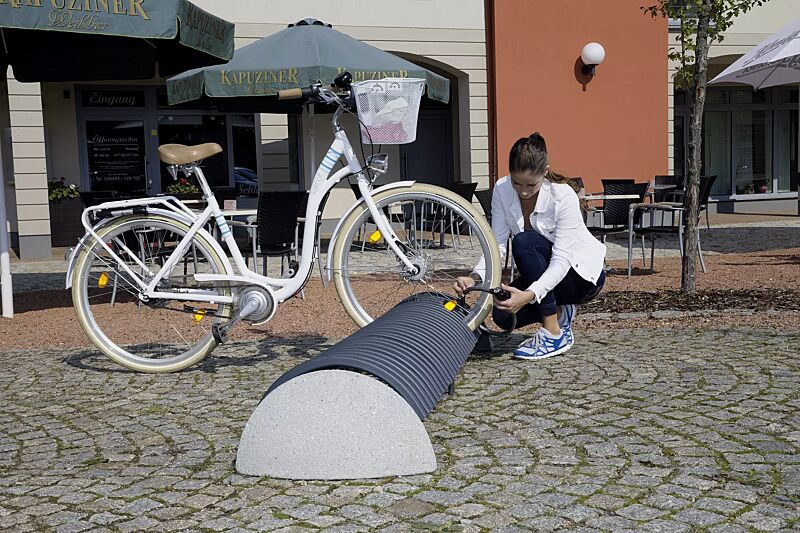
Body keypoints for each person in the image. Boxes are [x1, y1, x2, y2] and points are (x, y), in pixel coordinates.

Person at [455, 132, 606, 360]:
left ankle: (553, 331)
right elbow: (496, 245)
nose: (523, 191)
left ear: (545, 173)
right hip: (546, 271)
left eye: (531, 185)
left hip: (579, 277)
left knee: (524, 241)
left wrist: (529, 295)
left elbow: (561, 259)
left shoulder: (563, 195)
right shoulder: (502, 189)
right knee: (503, 314)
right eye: (517, 182)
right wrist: (475, 277)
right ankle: (559, 308)